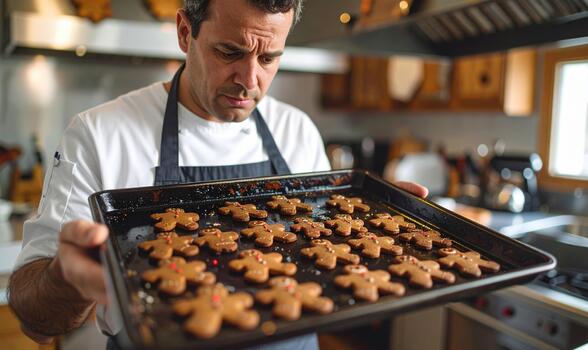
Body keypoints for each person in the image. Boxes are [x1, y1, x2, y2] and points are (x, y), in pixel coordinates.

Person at [7, 0, 428, 349]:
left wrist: (379, 227)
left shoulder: (296, 131)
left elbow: (327, 262)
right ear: (185, 32)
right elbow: (34, 320)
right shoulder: (100, 135)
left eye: (269, 58)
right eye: (229, 52)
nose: (250, 81)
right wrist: (66, 278)